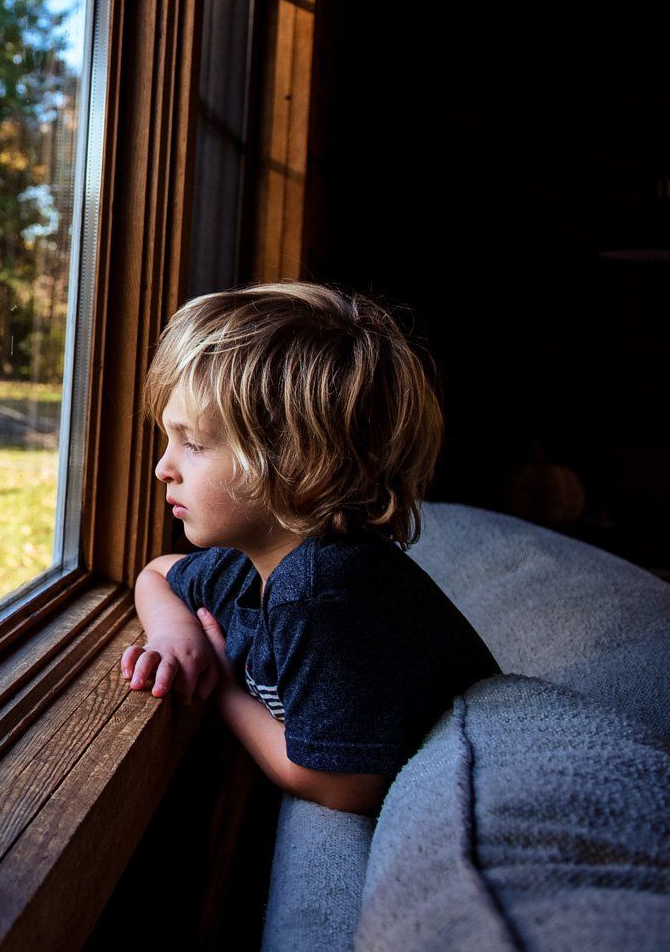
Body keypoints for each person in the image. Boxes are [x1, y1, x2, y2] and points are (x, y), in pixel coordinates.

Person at [119, 282, 499, 814]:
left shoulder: (322, 589)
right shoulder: (250, 564)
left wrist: (223, 689)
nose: (164, 467)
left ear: (298, 463)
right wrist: (175, 633)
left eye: (194, 444)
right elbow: (157, 573)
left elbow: (341, 783)